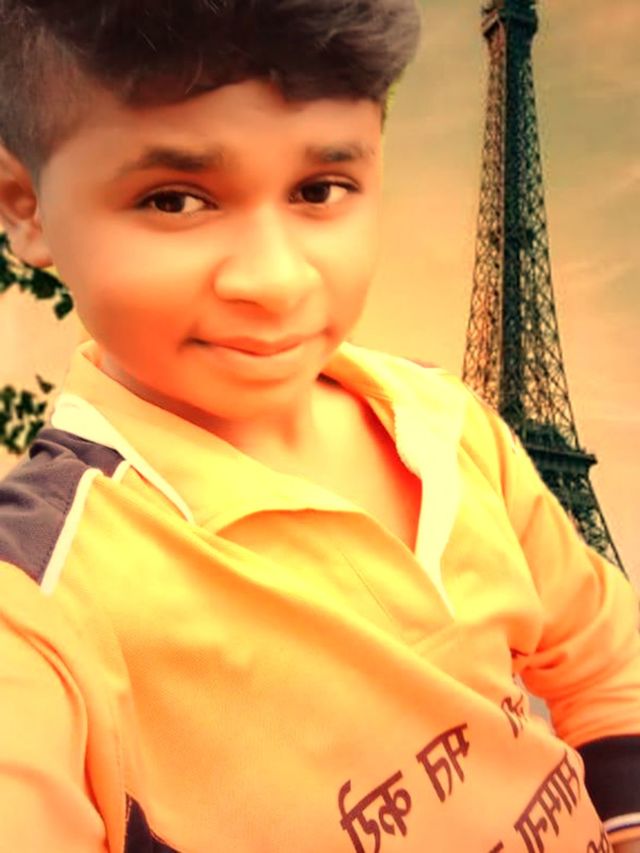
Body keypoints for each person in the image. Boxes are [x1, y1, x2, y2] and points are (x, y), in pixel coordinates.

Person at [0, 1, 638, 850]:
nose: (275, 281)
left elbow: (607, 663)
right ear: (26, 206)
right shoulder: (38, 603)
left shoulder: (450, 422)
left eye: (320, 189)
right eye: (175, 200)